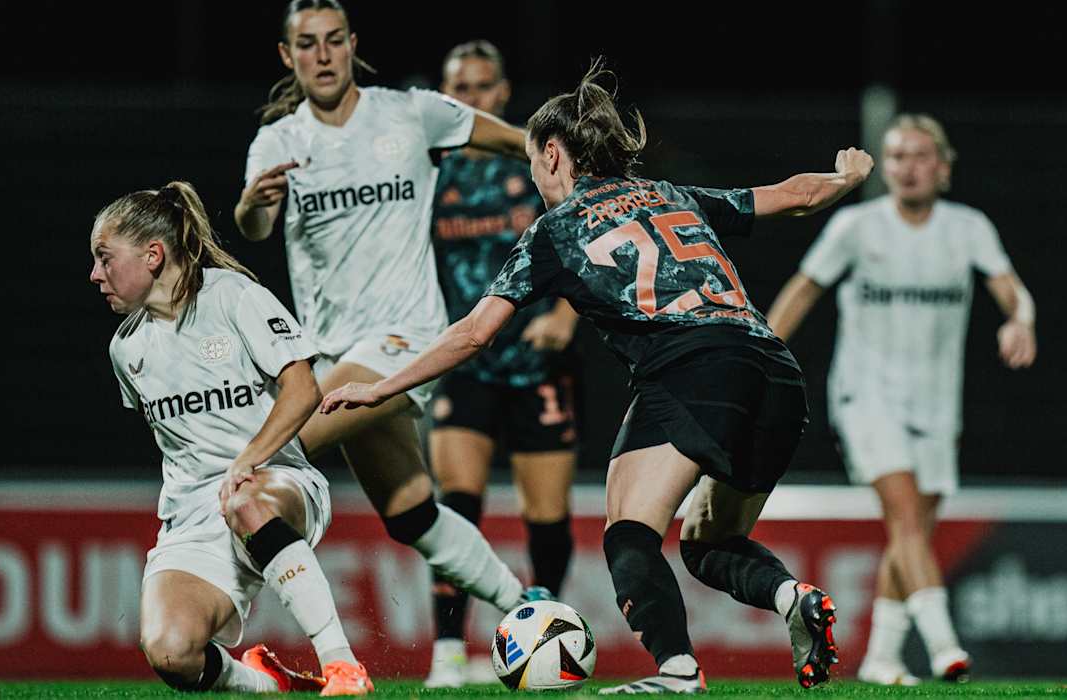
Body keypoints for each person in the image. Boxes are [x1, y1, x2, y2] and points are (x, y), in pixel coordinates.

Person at [320, 62, 875, 693]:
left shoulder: (556, 230)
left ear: (553, 153)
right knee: (706, 543)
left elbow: (473, 333)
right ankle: (791, 599)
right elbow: (795, 196)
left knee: (629, 532)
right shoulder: (669, 194)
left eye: (533, 159)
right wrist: (847, 178)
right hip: (775, 374)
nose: (532, 175)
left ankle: (677, 671)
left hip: (690, 368)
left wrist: (380, 387)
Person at [235, 0, 547, 629]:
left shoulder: (412, 112)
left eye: (333, 40)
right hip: (330, 350)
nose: (322, 55)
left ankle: (238, 621)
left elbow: (518, 142)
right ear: (287, 56)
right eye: (307, 44)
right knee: (410, 514)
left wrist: (572, 172)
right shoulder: (278, 140)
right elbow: (256, 226)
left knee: (264, 453)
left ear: (353, 44)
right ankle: (529, 608)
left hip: (406, 338)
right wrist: (250, 204)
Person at [765, 114, 1038, 685]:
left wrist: (1021, 320)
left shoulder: (968, 228)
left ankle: (882, 658)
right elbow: (803, 290)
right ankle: (945, 647)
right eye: (895, 157)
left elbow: (1013, 291)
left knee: (910, 531)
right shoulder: (857, 227)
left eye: (919, 156)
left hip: (936, 403)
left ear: (943, 167)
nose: (907, 168)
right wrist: (759, 352)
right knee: (907, 518)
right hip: (866, 395)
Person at [91, 181, 371, 695]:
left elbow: (303, 389)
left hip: (275, 480)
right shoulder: (125, 349)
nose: (95, 274)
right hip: (196, 516)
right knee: (171, 653)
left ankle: (342, 665)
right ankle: (270, 685)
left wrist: (247, 460)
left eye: (105, 258)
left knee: (245, 499)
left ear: (153, 254)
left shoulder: (233, 296)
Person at [422, 40, 581, 688]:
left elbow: (582, 232)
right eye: (459, 89)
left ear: (504, 92)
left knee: (547, 519)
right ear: (444, 96)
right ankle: (447, 652)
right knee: (455, 504)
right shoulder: (427, 171)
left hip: (536, 361)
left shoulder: (537, 163)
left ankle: (542, 638)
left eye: (482, 87)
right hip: (462, 359)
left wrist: (566, 314)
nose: (472, 99)